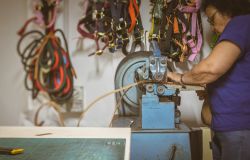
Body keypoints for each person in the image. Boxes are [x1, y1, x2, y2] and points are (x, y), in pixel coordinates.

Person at [167, 0, 250, 160]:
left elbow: (211, 68)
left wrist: (180, 77)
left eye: (212, 18)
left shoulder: (242, 22)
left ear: (228, 9)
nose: (212, 27)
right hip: (226, 127)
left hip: (239, 128)